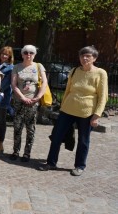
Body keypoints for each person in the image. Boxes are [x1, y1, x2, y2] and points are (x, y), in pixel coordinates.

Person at [39, 46, 108, 176]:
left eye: (88, 56)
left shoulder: (100, 73)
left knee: (83, 140)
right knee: (56, 136)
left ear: (94, 58)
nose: (84, 58)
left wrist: (96, 115)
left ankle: (80, 166)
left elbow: (103, 96)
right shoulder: (74, 71)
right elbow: (67, 91)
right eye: (82, 56)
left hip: (86, 112)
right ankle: (51, 162)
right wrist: (62, 107)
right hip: (67, 110)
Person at [10, 45, 48, 162]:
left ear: (34, 54)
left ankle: (27, 153)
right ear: (22, 54)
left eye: (31, 52)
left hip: (33, 103)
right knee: (17, 127)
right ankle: (16, 151)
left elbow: (45, 82)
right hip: (19, 102)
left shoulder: (38, 66)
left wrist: (37, 97)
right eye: (25, 52)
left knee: (30, 129)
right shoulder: (17, 67)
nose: (28, 55)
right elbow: (14, 85)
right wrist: (22, 97)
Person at [0, 46, 14, 153]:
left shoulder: (10, 68)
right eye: (2, 54)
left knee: (1, 121)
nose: (4, 56)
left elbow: (5, 84)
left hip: (3, 97)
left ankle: (0, 143)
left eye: (6, 54)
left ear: (10, 56)